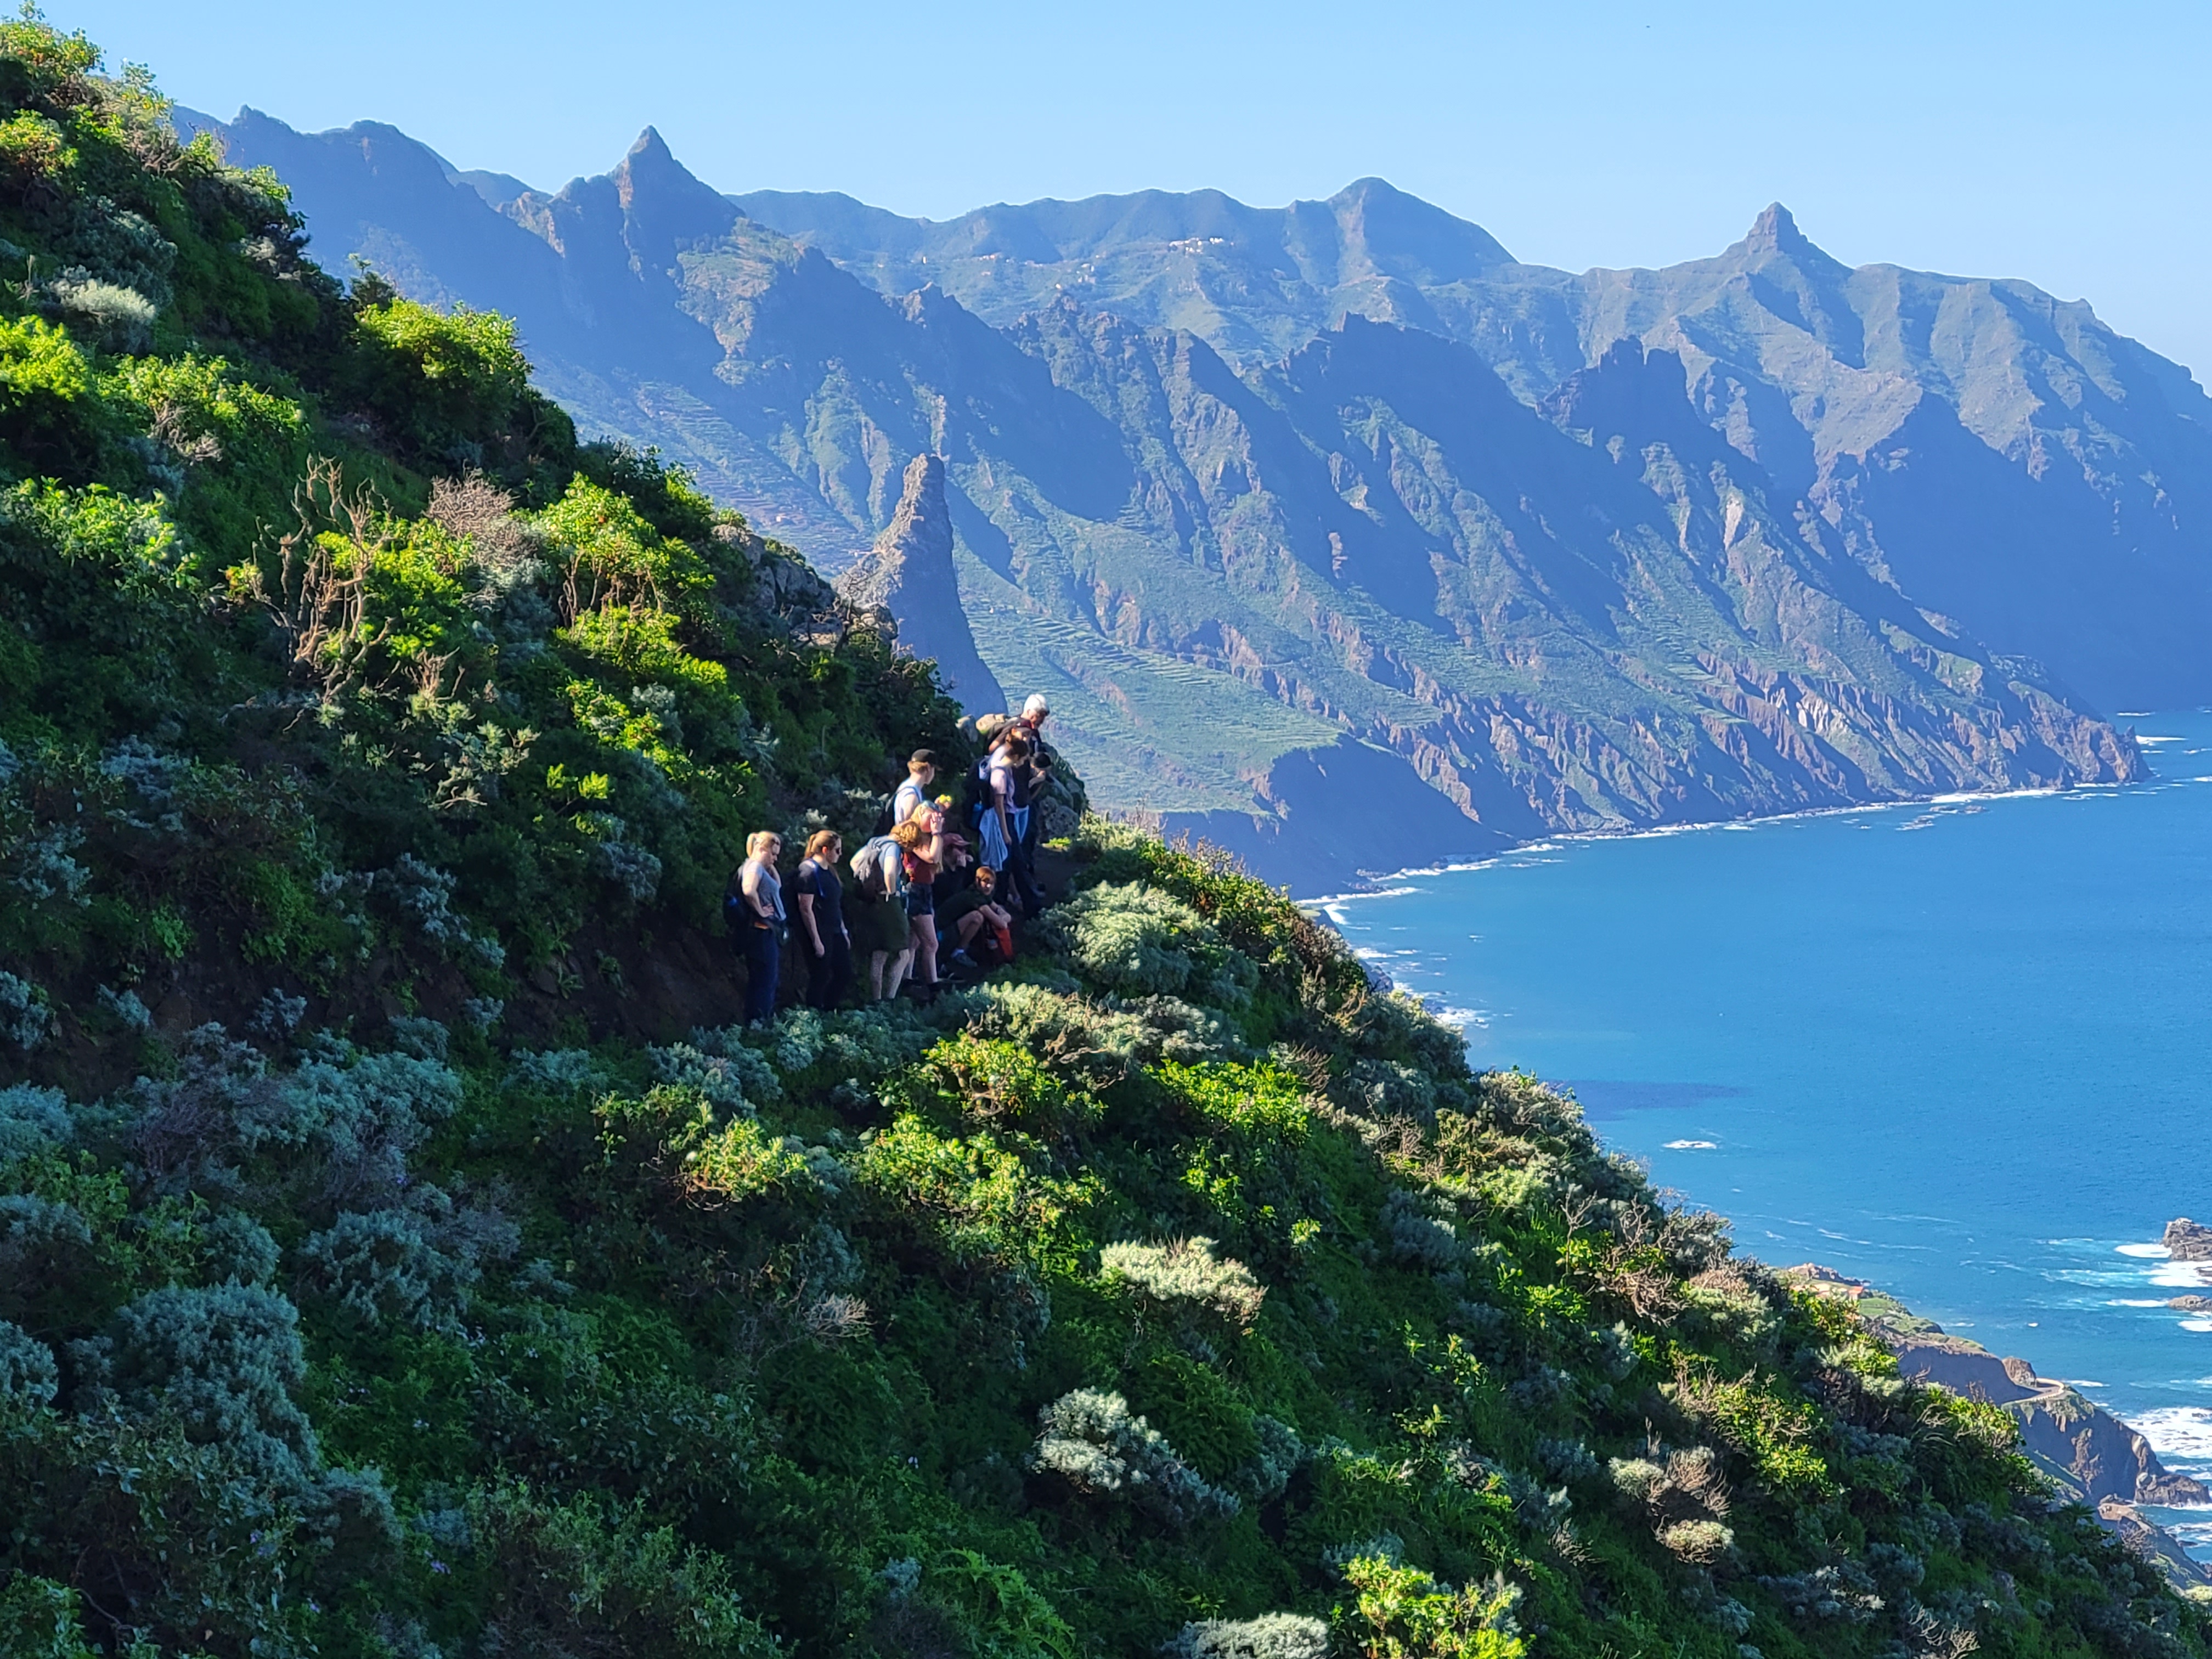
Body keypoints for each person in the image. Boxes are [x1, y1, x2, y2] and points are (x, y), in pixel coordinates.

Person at [848, 830, 911, 1000]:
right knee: (903, 953)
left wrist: (869, 884)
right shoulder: (893, 847)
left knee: (879, 954)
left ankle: (875, 1001)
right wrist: (892, 893)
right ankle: (890, 999)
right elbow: (890, 872)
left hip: (871, 902)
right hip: (888, 903)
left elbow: (854, 862)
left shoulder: (875, 842)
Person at [730, 830, 784, 1023]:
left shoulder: (759, 867)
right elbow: (748, 890)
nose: (775, 858)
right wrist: (761, 911)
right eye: (773, 853)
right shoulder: (754, 868)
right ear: (761, 849)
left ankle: (758, 1022)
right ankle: (758, 1023)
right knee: (765, 983)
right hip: (760, 932)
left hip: (766, 932)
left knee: (766, 981)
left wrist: (769, 863)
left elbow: (777, 886)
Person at [793, 830, 851, 1009]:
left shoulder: (830, 872)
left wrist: (843, 931)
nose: (840, 855)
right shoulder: (809, 872)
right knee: (820, 975)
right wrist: (816, 940)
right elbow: (806, 908)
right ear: (825, 850)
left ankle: (830, 1009)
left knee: (844, 973)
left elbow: (835, 904)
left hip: (835, 929)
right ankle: (814, 1013)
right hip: (819, 931)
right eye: (838, 850)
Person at [991, 730, 1047, 916]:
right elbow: (999, 805)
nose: (1023, 763)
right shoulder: (1000, 775)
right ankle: (1029, 906)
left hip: (1009, 817)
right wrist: (1006, 833)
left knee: (1010, 864)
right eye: (1022, 759)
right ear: (1015, 756)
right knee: (1014, 863)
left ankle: (1007, 903)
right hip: (1005, 820)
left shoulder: (1005, 769)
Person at [892, 807, 944, 997]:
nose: (933, 820)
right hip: (915, 891)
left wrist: (937, 834)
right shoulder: (914, 835)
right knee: (931, 943)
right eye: (929, 816)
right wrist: (937, 832)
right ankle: (934, 988)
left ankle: (908, 980)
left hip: (924, 890)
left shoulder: (928, 837)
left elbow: (936, 861)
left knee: (914, 941)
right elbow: (931, 857)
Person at [941, 864, 1014, 973]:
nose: (988, 886)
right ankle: (958, 953)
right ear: (978, 881)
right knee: (977, 917)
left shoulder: (984, 895)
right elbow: (1002, 923)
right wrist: (1003, 918)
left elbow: (1003, 913)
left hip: (954, 928)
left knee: (990, 917)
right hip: (943, 932)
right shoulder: (974, 897)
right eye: (985, 882)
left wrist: (1003, 917)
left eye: (991, 883)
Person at [892, 749, 938, 829]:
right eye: (934, 769)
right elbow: (910, 831)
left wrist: (937, 807)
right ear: (928, 768)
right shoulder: (912, 796)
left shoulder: (906, 787)